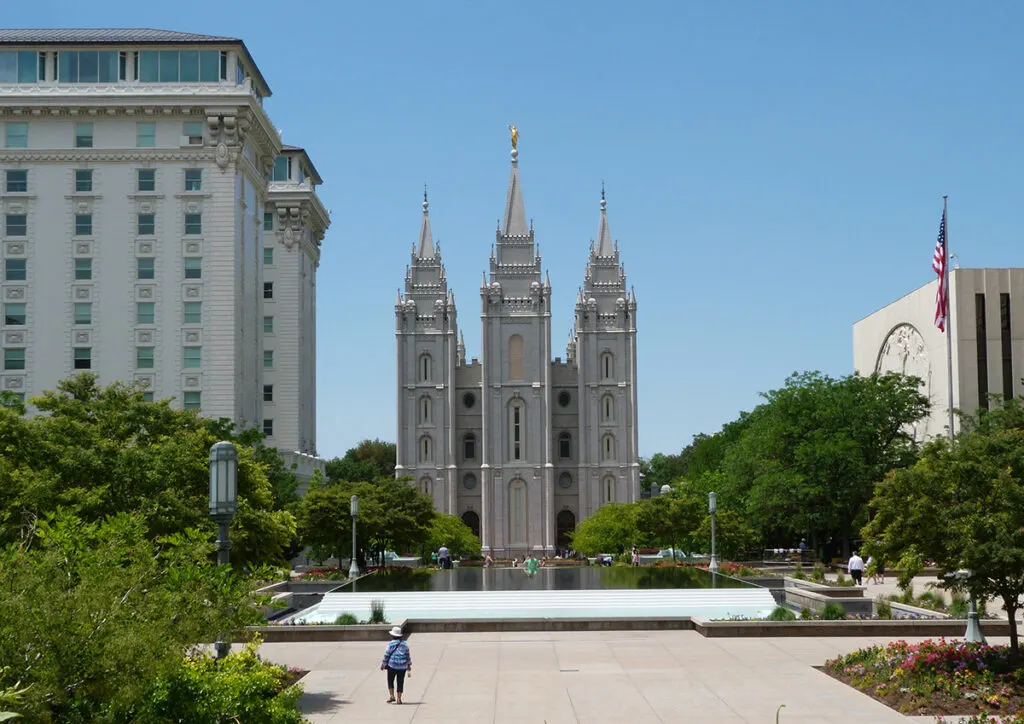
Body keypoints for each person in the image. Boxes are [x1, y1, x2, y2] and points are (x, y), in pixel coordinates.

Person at [380, 625, 412, 705]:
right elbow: (407, 655)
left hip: (392, 664)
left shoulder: (391, 644)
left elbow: (387, 654)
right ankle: (399, 699)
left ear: (393, 635)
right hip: (402, 666)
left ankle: (391, 696)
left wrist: (383, 664)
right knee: (400, 681)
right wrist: (408, 664)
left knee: (390, 680)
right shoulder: (405, 644)